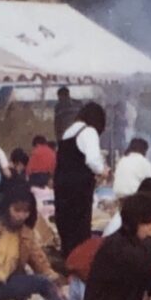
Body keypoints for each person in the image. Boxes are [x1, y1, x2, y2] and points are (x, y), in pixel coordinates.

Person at [0, 181, 64, 300]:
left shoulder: (26, 235)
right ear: (7, 208)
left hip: (5, 284)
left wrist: (54, 280)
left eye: (25, 211)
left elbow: (39, 261)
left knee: (43, 281)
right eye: (17, 210)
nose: (21, 216)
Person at [54, 101, 107, 257]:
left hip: (62, 186)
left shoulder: (68, 132)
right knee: (79, 229)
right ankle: (79, 263)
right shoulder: (89, 131)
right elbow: (92, 160)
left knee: (66, 226)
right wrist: (103, 171)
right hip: (78, 188)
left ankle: (67, 260)